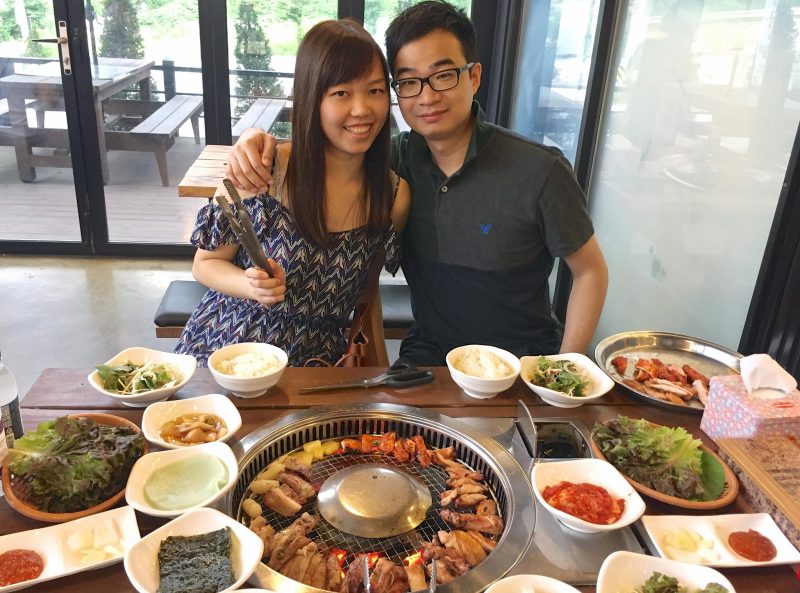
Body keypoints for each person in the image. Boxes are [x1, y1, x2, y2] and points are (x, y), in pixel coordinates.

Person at [226, 1, 608, 366]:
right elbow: (328, 151)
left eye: (443, 76)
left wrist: (565, 367)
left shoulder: (539, 169)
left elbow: (590, 271)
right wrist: (257, 141)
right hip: (430, 357)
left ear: (474, 76)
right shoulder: (393, 163)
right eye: (409, 82)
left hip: (522, 359)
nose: (427, 96)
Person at [175, 19, 410, 367]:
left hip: (314, 367)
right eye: (341, 93)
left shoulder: (392, 196)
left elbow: (366, 293)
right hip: (229, 351)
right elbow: (205, 264)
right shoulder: (263, 170)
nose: (362, 109)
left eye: (375, 91)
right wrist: (251, 285)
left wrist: (379, 372)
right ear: (311, 98)